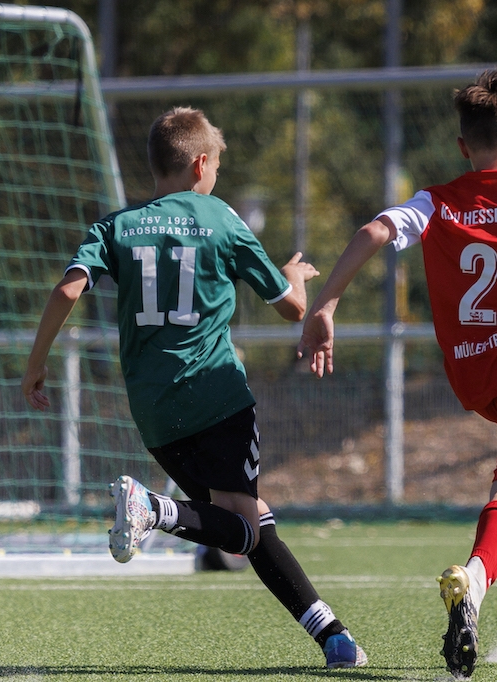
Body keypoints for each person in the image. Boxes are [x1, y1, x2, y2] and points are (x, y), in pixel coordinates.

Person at [22, 107, 367, 669]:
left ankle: (334, 637)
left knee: (246, 521)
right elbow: (291, 308)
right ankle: (155, 509)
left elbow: (67, 291)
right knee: (243, 528)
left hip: (155, 413)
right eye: (216, 169)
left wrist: (35, 365)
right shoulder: (220, 217)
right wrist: (294, 277)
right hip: (217, 396)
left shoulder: (116, 226)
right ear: (201, 164)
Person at [298, 69, 497, 677]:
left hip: (476, 375)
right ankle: (476, 579)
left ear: (464, 145)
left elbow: (372, 231)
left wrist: (326, 306)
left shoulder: (436, 202)